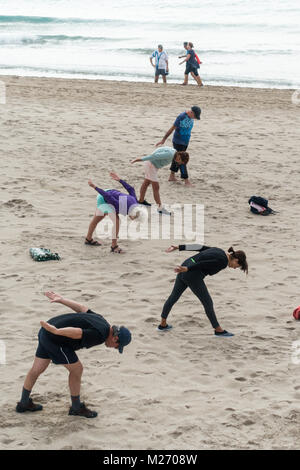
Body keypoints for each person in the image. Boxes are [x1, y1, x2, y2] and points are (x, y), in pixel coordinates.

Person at [16, 291, 132, 418]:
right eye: (117, 347)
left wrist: (62, 300)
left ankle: (23, 403)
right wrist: (57, 331)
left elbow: (82, 308)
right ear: (115, 339)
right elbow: (78, 333)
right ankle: (76, 408)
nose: (114, 348)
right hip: (55, 336)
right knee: (77, 369)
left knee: (37, 368)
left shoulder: (102, 321)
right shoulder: (100, 335)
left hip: (46, 330)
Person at [157, 244, 248, 336]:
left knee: (174, 296)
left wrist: (179, 247)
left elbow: (200, 247)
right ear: (236, 260)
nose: (235, 268)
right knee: (207, 302)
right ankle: (218, 330)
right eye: (237, 266)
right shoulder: (223, 261)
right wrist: (188, 269)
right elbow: (204, 264)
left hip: (186, 264)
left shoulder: (219, 250)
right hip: (191, 272)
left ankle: (163, 324)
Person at [85, 172, 139, 253]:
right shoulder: (118, 205)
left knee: (97, 218)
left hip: (111, 192)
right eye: (133, 216)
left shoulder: (135, 201)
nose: (133, 218)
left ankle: (88, 239)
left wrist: (120, 180)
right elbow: (107, 196)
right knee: (117, 221)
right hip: (104, 197)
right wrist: (94, 187)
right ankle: (114, 247)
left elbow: (131, 189)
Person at [131, 147, 189, 215]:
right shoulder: (170, 154)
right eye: (179, 161)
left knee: (146, 182)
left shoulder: (174, 152)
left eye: (180, 162)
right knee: (156, 187)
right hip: (151, 165)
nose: (178, 162)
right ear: (179, 156)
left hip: (153, 166)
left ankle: (141, 201)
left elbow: (161, 149)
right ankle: (160, 208)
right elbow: (154, 156)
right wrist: (139, 160)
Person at [156, 106, 201, 185]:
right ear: (191, 112)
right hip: (178, 141)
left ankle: (171, 176)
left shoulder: (190, 118)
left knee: (176, 158)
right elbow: (172, 128)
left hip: (185, 142)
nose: (194, 118)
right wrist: (163, 139)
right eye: (194, 116)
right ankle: (186, 180)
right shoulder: (181, 117)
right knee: (182, 160)